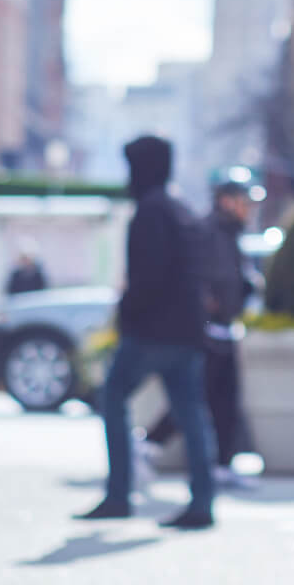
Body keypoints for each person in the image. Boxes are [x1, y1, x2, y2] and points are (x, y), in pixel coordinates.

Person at [78, 135, 215, 529]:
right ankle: (202, 502)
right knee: (192, 416)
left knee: (113, 396)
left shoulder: (151, 212)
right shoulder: (180, 209)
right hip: (188, 333)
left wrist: (126, 313)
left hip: (153, 331)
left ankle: (119, 494)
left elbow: (146, 278)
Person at [141, 177, 257, 491]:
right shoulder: (208, 231)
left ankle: (222, 465)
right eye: (244, 201)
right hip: (206, 330)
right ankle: (148, 445)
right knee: (195, 396)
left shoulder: (231, 234)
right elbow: (198, 275)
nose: (249, 208)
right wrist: (207, 305)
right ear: (226, 200)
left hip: (225, 329)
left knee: (226, 401)